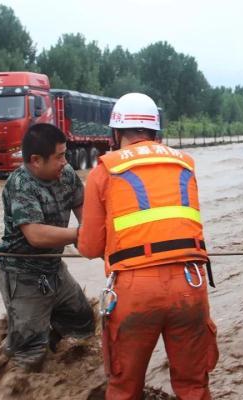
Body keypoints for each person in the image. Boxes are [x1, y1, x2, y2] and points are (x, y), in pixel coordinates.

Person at [78, 93, 218, 399]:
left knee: (124, 387)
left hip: (134, 290)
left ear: (115, 134)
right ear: (156, 132)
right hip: (190, 282)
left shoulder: (105, 170)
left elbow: (89, 247)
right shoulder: (184, 164)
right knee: (194, 386)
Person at [0, 123, 95, 372]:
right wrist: (78, 235)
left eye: (65, 154)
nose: (65, 161)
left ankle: (52, 351)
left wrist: (93, 237)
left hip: (53, 267)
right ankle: (9, 368)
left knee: (83, 324)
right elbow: (36, 235)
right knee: (29, 355)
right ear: (36, 160)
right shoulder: (20, 184)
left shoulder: (67, 174)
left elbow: (84, 210)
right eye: (60, 156)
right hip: (23, 275)